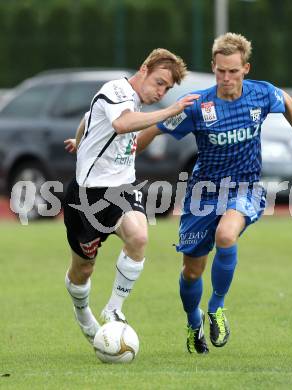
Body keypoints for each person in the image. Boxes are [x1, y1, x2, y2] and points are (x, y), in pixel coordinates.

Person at [136, 33, 292, 354]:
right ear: (213, 67)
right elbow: (156, 126)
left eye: (233, 71)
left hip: (245, 188)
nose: (226, 78)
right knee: (192, 272)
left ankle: (216, 308)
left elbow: (287, 101)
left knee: (226, 235)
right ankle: (194, 324)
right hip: (203, 195)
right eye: (220, 71)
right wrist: (127, 150)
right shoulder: (198, 105)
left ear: (245, 68)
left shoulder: (260, 95)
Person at [63, 48, 199, 345]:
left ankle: (113, 309)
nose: (161, 92)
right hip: (86, 198)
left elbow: (89, 117)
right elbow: (121, 124)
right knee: (83, 269)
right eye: (159, 82)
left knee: (139, 236)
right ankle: (81, 309)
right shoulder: (116, 89)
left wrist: (79, 139)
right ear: (144, 69)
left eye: (167, 88)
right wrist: (170, 110)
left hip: (121, 190)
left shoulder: (135, 100)